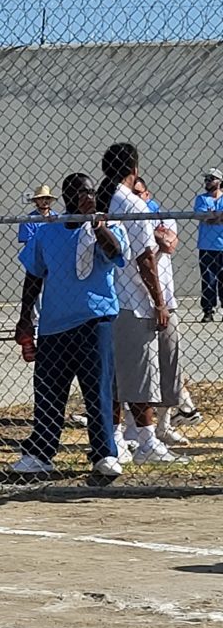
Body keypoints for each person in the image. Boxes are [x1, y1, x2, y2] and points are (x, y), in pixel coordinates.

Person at [12, 173, 127, 477]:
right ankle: (41, 453)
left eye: (89, 192)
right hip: (53, 326)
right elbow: (34, 274)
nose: (84, 197)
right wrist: (25, 317)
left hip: (94, 321)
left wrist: (95, 223)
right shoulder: (48, 232)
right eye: (77, 192)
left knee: (97, 390)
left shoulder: (108, 225)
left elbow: (115, 253)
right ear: (65, 197)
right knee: (48, 391)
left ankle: (104, 455)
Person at [97, 143, 185, 464]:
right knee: (139, 373)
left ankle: (118, 438)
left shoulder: (105, 199)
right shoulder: (133, 204)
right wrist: (159, 302)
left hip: (108, 298)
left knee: (116, 375)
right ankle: (146, 442)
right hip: (133, 302)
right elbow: (145, 258)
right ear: (133, 168)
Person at [132, 177, 194, 446]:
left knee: (170, 363)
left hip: (167, 301)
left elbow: (169, 243)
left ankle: (164, 424)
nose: (138, 198)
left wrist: (150, 232)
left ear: (148, 194)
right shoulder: (127, 221)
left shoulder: (164, 218)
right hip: (136, 303)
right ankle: (134, 429)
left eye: (141, 194)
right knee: (137, 368)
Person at [194, 168, 223, 322]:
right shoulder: (201, 199)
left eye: (211, 179)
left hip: (222, 245)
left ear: (219, 181)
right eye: (206, 179)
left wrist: (213, 216)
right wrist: (218, 217)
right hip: (206, 246)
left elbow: (211, 217)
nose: (207, 182)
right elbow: (203, 217)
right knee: (208, 279)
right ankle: (208, 310)